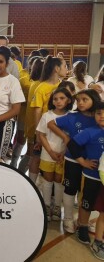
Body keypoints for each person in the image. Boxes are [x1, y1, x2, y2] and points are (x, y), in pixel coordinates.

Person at [47, 89, 101, 234]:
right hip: (73, 159)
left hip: (92, 163)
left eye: (85, 99)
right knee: (70, 188)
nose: (80, 103)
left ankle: (82, 221)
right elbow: (51, 124)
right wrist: (65, 138)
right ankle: (68, 219)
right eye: (78, 100)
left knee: (86, 192)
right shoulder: (72, 117)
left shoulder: (98, 117)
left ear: (94, 100)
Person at [67, 100, 104, 246]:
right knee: (87, 203)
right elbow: (72, 145)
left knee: (100, 206)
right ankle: (82, 226)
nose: (101, 116)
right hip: (91, 176)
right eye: (98, 113)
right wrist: (83, 162)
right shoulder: (90, 131)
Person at [28, 55, 68, 182]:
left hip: (60, 130)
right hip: (44, 130)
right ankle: (32, 184)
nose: (67, 69)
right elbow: (37, 111)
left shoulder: (63, 85)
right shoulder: (42, 87)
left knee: (56, 158)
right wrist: (38, 134)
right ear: (56, 68)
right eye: (65, 66)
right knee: (37, 157)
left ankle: (51, 190)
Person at [36, 88, 73, 222]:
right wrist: (51, 152)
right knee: (47, 180)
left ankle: (57, 206)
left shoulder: (71, 116)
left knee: (59, 180)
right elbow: (42, 135)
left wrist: (63, 153)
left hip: (64, 155)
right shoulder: (47, 115)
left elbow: (71, 137)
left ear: (68, 100)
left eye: (62, 98)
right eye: (55, 99)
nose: (58, 101)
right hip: (48, 153)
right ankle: (46, 205)